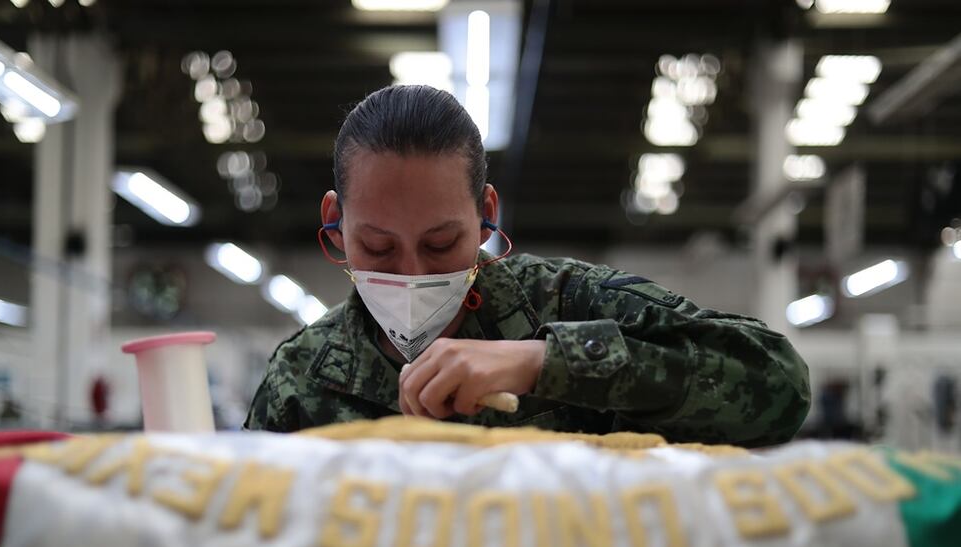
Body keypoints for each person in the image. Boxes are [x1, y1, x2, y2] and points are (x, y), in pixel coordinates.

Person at [245, 85, 810, 446]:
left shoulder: (567, 303)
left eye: (441, 245)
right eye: (378, 247)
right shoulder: (301, 379)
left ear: (486, 213)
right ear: (336, 223)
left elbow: (780, 382)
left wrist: (545, 362)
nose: (413, 273)